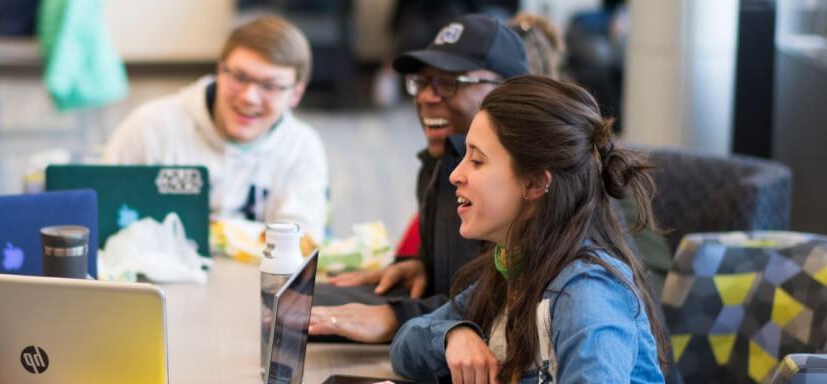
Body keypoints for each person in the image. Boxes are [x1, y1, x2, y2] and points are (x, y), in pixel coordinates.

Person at [391, 75, 668, 382]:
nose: (456, 174)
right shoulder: (514, 268)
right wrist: (453, 336)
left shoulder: (588, 294)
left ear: (536, 183)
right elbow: (406, 344)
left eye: (477, 161)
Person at [309, 14, 529, 343]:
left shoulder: (522, 185)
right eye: (422, 82)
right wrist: (419, 264)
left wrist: (396, 318)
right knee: (294, 311)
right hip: (441, 326)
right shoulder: (439, 162)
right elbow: (461, 276)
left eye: (448, 82)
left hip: (483, 347)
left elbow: (499, 305)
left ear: (505, 91)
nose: (426, 96)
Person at [102, 15, 329, 246]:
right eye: (240, 77)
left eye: (270, 86)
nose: (249, 97)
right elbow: (103, 211)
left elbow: (302, 242)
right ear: (220, 71)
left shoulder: (303, 147)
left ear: (296, 94)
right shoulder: (150, 127)